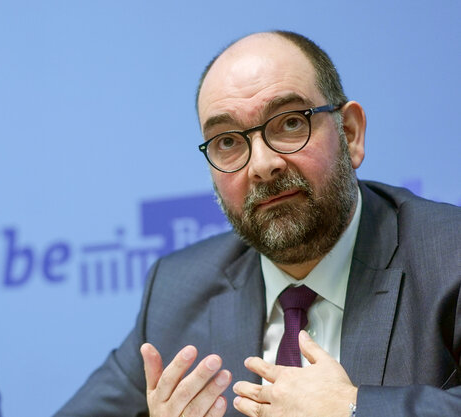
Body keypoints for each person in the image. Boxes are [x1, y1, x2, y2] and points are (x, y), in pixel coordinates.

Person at [56, 31, 460, 417]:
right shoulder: (177, 292)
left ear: (350, 133)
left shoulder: (448, 256)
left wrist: (355, 410)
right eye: (228, 142)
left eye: (289, 123)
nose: (263, 165)